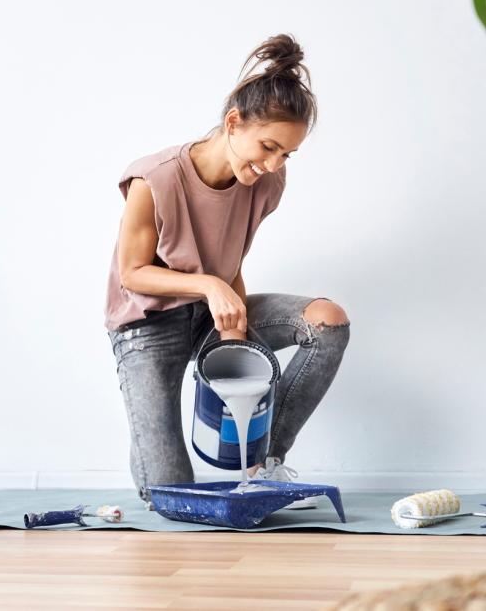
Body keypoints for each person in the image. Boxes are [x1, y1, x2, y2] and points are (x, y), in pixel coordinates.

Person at [104, 33, 351, 503]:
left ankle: (264, 463)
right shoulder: (153, 179)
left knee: (328, 322)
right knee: (171, 493)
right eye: (268, 146)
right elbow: (132, 273)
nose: (274, 163)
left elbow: (231, 256)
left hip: (211, 310)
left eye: (287, 154)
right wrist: (210, 285)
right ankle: (149, 435)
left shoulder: (266, 182)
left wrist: (233, 330)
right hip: (146, 324)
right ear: (233, 122)